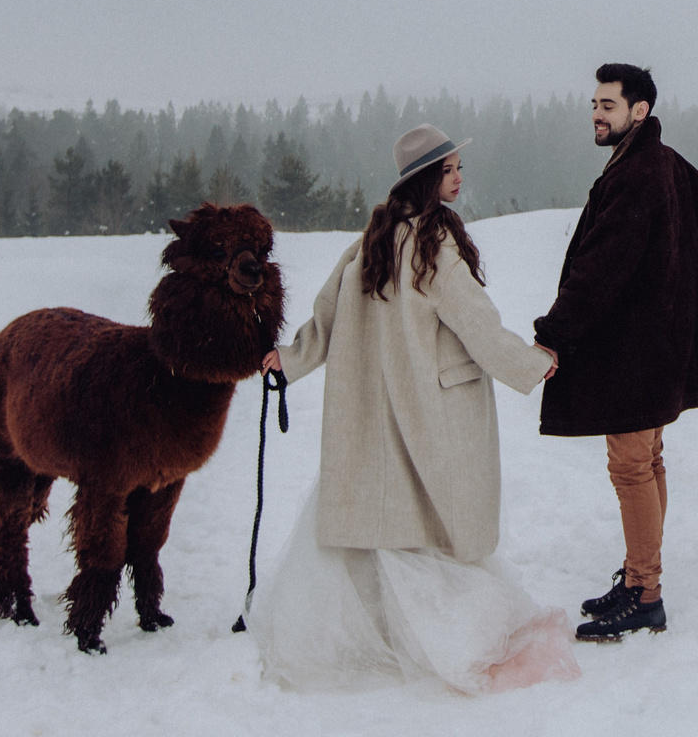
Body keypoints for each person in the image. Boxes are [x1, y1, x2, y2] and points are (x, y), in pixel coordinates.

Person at [248, 126, 579, 694]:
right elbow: (478, 324)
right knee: (434, 523)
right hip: (431, 410)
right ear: (426, 179)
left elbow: (323, 321)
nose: (458, 177)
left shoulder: (369, 243)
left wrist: (290, 359)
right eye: (449, 169)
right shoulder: (433, 248)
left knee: (387, 520)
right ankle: (446, 639)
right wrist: (533, 364)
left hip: (376, 411)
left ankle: (389, 633)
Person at [533, 63, 698, 641]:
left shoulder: (638, 175)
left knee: (630, 466)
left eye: (608, 105)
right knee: (647, 462)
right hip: (659, 351)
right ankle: (637, 576)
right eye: (594, 105)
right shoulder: (672, 166)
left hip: (632, 353)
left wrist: (554, 331)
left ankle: (645, 592)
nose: (597, 115)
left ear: (639, 111)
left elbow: (600, 270)